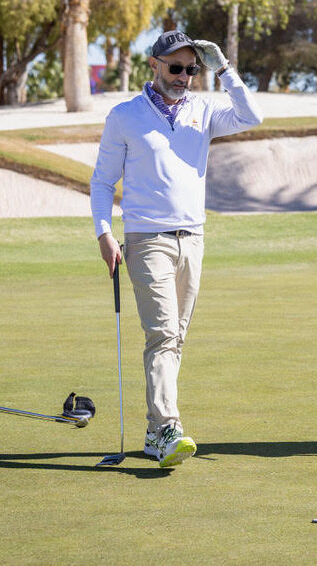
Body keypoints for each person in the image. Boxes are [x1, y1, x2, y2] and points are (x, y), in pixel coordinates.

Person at [90, 30, 262, 467]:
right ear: (154, 65)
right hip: (146, 238)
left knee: (175, 337)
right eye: (175, 67)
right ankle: (169, 427)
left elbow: (252, 115)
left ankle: (154, 434)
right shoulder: (125, 116)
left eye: (191, 69)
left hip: (193, 238)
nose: (184, 76)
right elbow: (103, 181)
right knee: (163, 334)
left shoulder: (203, 110)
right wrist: (104, 232)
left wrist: (224, 69)